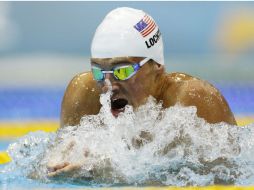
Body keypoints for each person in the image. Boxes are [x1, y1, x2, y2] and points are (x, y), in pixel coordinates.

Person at [47, 7, 236, 177]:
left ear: (157, 66)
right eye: (98, 71)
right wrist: (53, 168)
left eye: (122, 70)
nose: (108, 85)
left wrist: (108, 173)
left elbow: (226, 177)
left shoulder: (192, 101)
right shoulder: (84, 94)